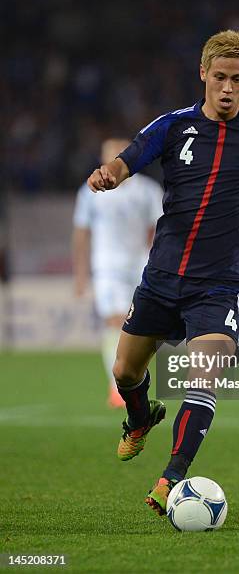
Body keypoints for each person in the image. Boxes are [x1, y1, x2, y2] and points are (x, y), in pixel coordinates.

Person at [87, 30, 239, 515]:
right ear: (204, 74)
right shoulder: (175, 127)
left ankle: (170, 478)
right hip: (163, 276)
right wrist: (110, 174)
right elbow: (129, 158)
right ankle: (139, 418)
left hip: (219, 284)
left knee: (202, 379)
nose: (228, 88)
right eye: (220, 77)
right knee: (125, 370)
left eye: (237, 79)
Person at [72, 138, 163, 407]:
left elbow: (160, 228)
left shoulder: (148, 191)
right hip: (107, 267)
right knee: (115, 321)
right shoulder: (88, 193)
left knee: (141, 328)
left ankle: (135, 378)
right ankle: (117, 389)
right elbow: (81, 233)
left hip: (141, 265)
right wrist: (80, 274)